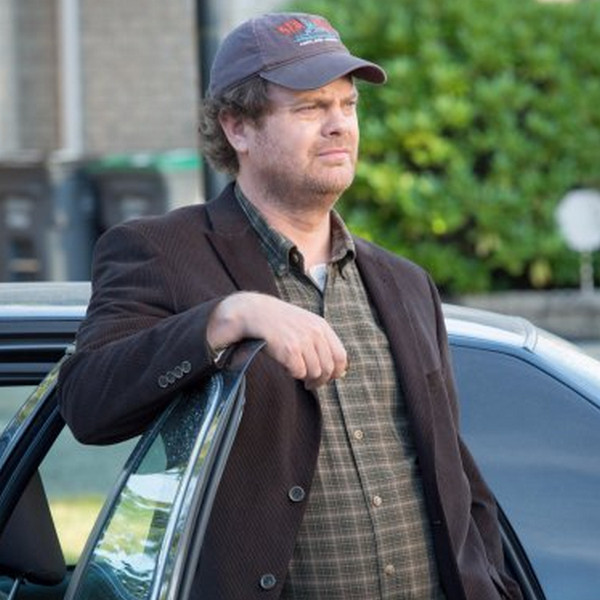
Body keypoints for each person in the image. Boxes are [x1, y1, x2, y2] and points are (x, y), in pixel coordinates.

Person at [58, 12, 522, 600]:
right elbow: (88, 403)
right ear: (237, 128)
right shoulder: (159, 252)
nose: (339, 125)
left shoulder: (406, 283)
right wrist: (227, 318)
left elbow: (456, 474)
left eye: (348, 105)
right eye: (310, 108)